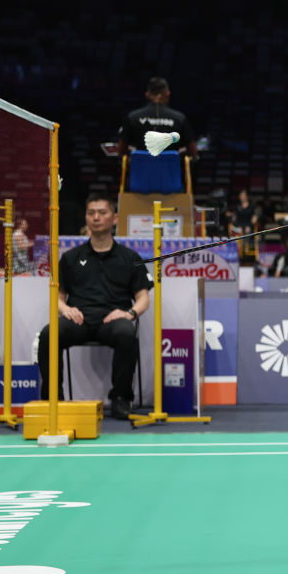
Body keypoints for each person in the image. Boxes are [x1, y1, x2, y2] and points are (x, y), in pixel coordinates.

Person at [38, 194, 152, 420]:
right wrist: (65, 309)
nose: (96, 218)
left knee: (126, 333)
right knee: (49, 334)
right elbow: (56, 297)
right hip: (78, 320)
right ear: (86, 218)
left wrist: (129, 313)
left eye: (102, 213)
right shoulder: (71, 258)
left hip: (112, 320)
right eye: (91, 213)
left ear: (115, 218)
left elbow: (143, 297)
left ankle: (121, 398)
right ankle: (53, 399)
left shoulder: (130, 257)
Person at [117, 77, 197, 157]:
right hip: (170, 165)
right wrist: (178, 153)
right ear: (167, 94)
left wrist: (135, 151)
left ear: (147, 95)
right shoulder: (180, 118)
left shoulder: (132, 117)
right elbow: (193, 151)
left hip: (141, 165)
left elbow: (121, 150)